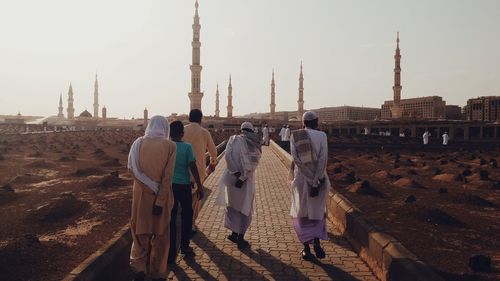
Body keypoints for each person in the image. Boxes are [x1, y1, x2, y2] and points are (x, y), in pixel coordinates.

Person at [128, 116, 176, 281]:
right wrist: (160, 201)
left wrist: (148, 187)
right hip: (160, 198)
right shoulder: (170, 146)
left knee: (140, 234)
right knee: (161, 236)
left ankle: (139, 269)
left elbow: (132, 169)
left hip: (141, 197)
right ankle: (157, 273)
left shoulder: (138, 143)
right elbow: (167, 177)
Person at [289, 111, 331, 260]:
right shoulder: (322, 136)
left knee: (303, 211)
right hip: (319, 180)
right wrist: (315, 181)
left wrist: (308, 179)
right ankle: (317, 243)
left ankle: (306, 248)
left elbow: (297, 161)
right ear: (316, 122)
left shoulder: (295, 136)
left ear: (304, 123)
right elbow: (323, 160)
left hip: (301, 179)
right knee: (318, 211)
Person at [216, 122, 262, 249]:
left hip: (231, 178)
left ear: (241, 130)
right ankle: (240, 237)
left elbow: (228, 156)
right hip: (246, 182)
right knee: (245, 207)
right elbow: (254, 162)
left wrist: (236, 174)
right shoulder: (255, 143)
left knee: (232, 206)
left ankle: (234, 233)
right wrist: (243, 177)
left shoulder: (233, 139)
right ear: (251, 130)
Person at [168, 121, 205, 263]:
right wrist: (200, 186)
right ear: (182, 133)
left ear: (170, 133)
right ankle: (184, 246)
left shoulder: (167, 147)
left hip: (171, 186)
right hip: (184, 186)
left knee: (171, 219)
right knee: (186, 216)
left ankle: (171, 252)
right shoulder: (187, 147)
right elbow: (193, 167)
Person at [183, 109, 217, 234]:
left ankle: (183, 223)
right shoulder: (204, 132)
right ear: (200, 119)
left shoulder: (182, 130)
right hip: (198, 171)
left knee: (182, 199)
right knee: (195, 200)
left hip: (181, 171)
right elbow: (213, 151)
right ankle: (191, 224)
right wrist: (213, 163)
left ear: (188, 118)